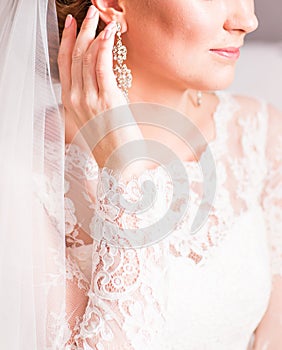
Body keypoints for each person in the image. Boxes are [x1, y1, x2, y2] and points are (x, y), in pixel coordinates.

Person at [0, 0, 281, 349]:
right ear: (113, 4)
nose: (248, 20)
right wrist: (124, 172)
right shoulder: (20, 167)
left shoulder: (259, 134)